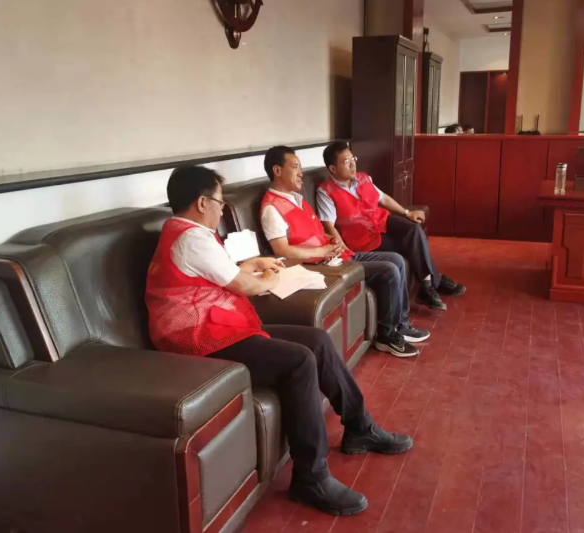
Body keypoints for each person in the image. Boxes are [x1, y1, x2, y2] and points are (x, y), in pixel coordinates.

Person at [146, 165, 414, 516]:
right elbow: (244, 286)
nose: (221, 210)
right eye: (220, 203)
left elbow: (220, 272)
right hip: (196, 337)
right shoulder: (192, 238)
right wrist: (274, 278)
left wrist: (255, 263)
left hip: (216, 325)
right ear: (201, 202)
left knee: (316, 341)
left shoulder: (187, 233)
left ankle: (359, 427)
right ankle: (311, 477)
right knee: (299, 361)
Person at [259, 146, 429, 358]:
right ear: (277, 171)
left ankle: (400, 325)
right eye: (295, 167)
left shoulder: (296, 199)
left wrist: (333, 240)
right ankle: (386, 336)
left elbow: (316, 232)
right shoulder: (272, 208)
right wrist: (323, 250)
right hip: (320, 266)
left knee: (397, 260)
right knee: (389, 270)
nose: (301, 172)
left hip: (336, 255)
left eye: (300, 167)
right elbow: (281, 250)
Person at [317, 141, 466, 311]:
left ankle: (427, 286)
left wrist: (407, 213)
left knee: (414, 230)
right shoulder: (326, 192)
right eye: (346, 162)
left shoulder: (363, 178)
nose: (353, 165)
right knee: (408, 245)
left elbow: (384, 199)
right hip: (362, 237)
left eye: (353, 159)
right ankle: (433, 282)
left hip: (381, 222)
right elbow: (329, 225)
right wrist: (343, 249)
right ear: (333, 169)